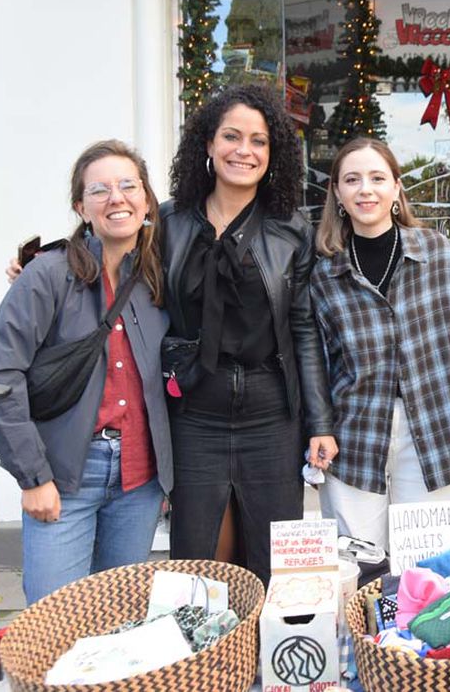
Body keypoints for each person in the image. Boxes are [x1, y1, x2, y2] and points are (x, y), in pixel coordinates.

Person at [0, 140, 172, 605]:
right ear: (81, 207)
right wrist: (32, 476)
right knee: (55, 617)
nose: (116, 198)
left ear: (146, 201)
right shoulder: (47, 275)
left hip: (139, 479)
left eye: (129, 186)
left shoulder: (158, 277)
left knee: (119, 617)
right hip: (66, 476)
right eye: (99, 190)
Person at [161, 83, 337, 584]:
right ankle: (214, 639)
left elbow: (303, 329)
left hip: (270, 415)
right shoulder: (169, 222)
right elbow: (117, 269)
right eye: (232, 137)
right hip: (194, 415)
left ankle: (265, 639)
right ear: (208, 143)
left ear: (272, 153)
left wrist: (320, 422)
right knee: (199, 562)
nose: (245, 150)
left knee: (272, 561)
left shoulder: (291, 229)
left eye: (259, 141)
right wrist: (44, 264)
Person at [309, 137, 450, 551]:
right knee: (357, 563)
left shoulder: (435, 251)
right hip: (354, 433)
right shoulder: (326, 274)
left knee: (431, 567)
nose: (366, 189)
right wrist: (317, 428)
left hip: (433, 426)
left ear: (396, 188)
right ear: (337, 193)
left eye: (377, 178)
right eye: (352, 180)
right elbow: (319, 363)